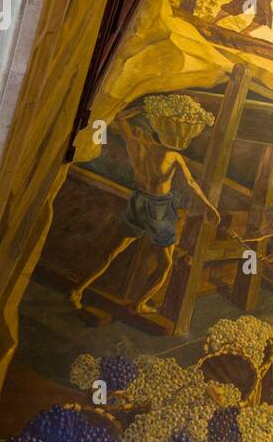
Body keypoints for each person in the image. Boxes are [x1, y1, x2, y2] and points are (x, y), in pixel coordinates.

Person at [70, 105, 219, 316]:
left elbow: (121, 117)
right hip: (158, 208)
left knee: (112, 252)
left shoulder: (134, 146)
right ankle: (139, 303)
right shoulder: (173, 156)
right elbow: (190, 183)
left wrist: (143, 107)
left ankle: (78, 290)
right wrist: (208, 206)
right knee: (165, 265)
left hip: (138, 202)